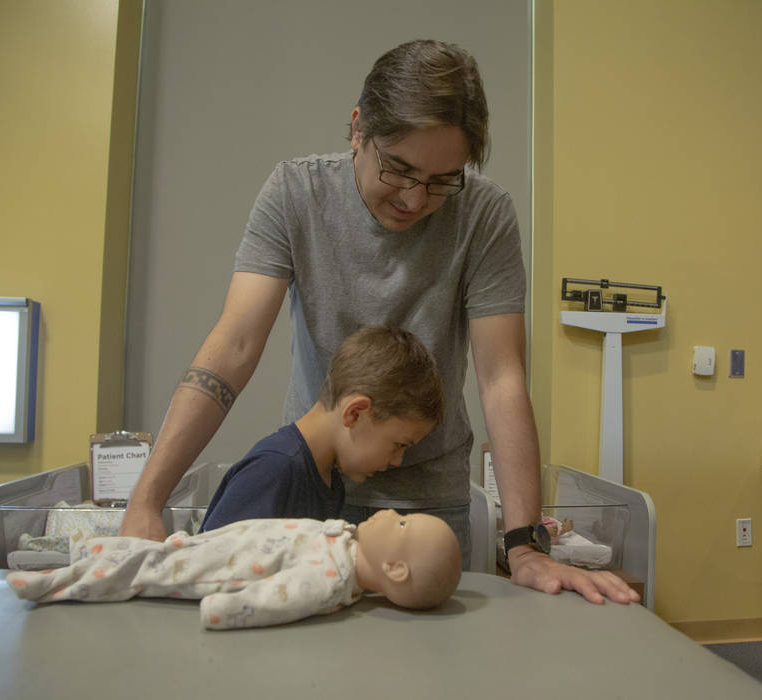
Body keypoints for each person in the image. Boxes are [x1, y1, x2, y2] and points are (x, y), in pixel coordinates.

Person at [121, 39, 638, 605]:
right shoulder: (296, 194)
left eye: (444, 179)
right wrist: (146, 500)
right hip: (312, 486)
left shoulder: (486, 215)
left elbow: (501, 378)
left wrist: (524, 545)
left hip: (425, 507)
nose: (416, 200)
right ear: (357, 130)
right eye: (400, 169)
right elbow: (236, 344)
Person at [7, 509, 462, 629]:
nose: (391, 513)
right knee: (149, 551)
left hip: (218, 570)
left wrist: (226, 609)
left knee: (144, 570)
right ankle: (84, 556)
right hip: (216, 545)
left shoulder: (332, 579)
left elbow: (279, 600)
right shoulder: (343, 539)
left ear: (395, 569)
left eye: (401, 523)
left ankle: (54, 586)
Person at [198, 326, 443, 531]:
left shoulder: (330, 482)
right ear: (355, 413)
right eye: (400, 445)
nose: (398, 461)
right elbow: (208, 569)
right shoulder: (274, 470)